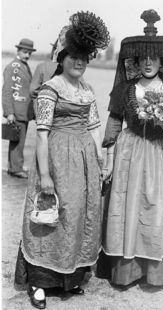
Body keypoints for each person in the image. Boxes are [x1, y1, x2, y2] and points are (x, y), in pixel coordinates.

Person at [14, 11, 110, 309]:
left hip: (82, 161)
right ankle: (40, 284)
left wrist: (99, 161)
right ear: (62, 59)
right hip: (56, 156)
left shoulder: (87, 91)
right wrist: (45, 174)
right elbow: (41, 135)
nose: (78, 62)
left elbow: (94, 128)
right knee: (52, 214)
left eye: (83, 58)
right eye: (73, 57)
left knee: (79, 213)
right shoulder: (51, 89)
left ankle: (70, 279)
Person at [96, 9, 163, 286]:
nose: (149, 63)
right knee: (129, 208)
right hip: (130, 153)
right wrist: (108, 159)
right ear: (136, 61)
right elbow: (114, 123)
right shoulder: (125, 88)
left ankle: (156, 273)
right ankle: (127, 270)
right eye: (143, 58)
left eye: (154, 58)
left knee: (159, 208)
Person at [2, 38, 36, 178]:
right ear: (18, 51)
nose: (27, 55)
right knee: (18, 140)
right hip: (17, 111)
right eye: (24, 52)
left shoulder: (23, 65)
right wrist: (9, 112)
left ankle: (13, 167)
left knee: (17, 139)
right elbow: (7, 91)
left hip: (23, 111)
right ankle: (16, 169)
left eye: (29, 53)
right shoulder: (13, 67)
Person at [30, 40, 58, 116]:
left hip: (44, 111)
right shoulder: (73, 69)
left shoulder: (42, 66)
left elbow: (32, 90)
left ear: (54, 50)